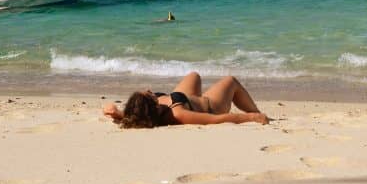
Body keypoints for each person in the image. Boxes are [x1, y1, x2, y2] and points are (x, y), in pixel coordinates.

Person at [103, 71, 269, 128]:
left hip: (186, 99)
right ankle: (255, 109)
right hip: (211, 105)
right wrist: (251, 117)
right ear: (151, 104)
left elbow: (132, 114)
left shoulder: (141, 113)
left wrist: (116, 113)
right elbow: (216, 119)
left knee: (193, 76)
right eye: (148, 94)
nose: (148, 90)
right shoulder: (178, 114)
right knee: (231, 81)